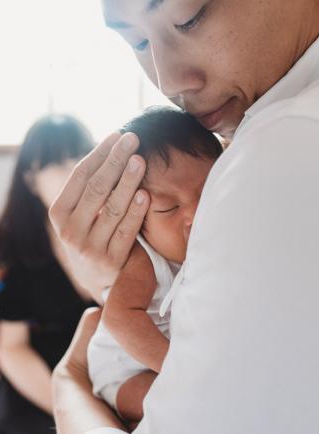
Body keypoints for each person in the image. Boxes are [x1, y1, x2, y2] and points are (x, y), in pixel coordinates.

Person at [49, 0, 319, 433]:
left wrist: (67, 387)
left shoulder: (290, 163)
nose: (168, 80)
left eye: (190, 17)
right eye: (138, 40)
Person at [86, 106, 223, 424]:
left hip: (177, 360)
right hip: (125, 368)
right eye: (168, 207)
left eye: (208, 192)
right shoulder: (144, 259)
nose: (194, 214)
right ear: (137, 222)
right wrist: (179, 369)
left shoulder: (220, 244)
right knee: (178, 404)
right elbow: (120, 318)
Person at [0, 114, 96, 434]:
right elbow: (11, 348)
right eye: (58, 163)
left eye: (82, 158)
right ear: (31, 179)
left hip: (106, 373)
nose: (75, 170)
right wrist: (71, 408)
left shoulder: (122, 231)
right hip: (39, 384)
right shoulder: (10, 247)